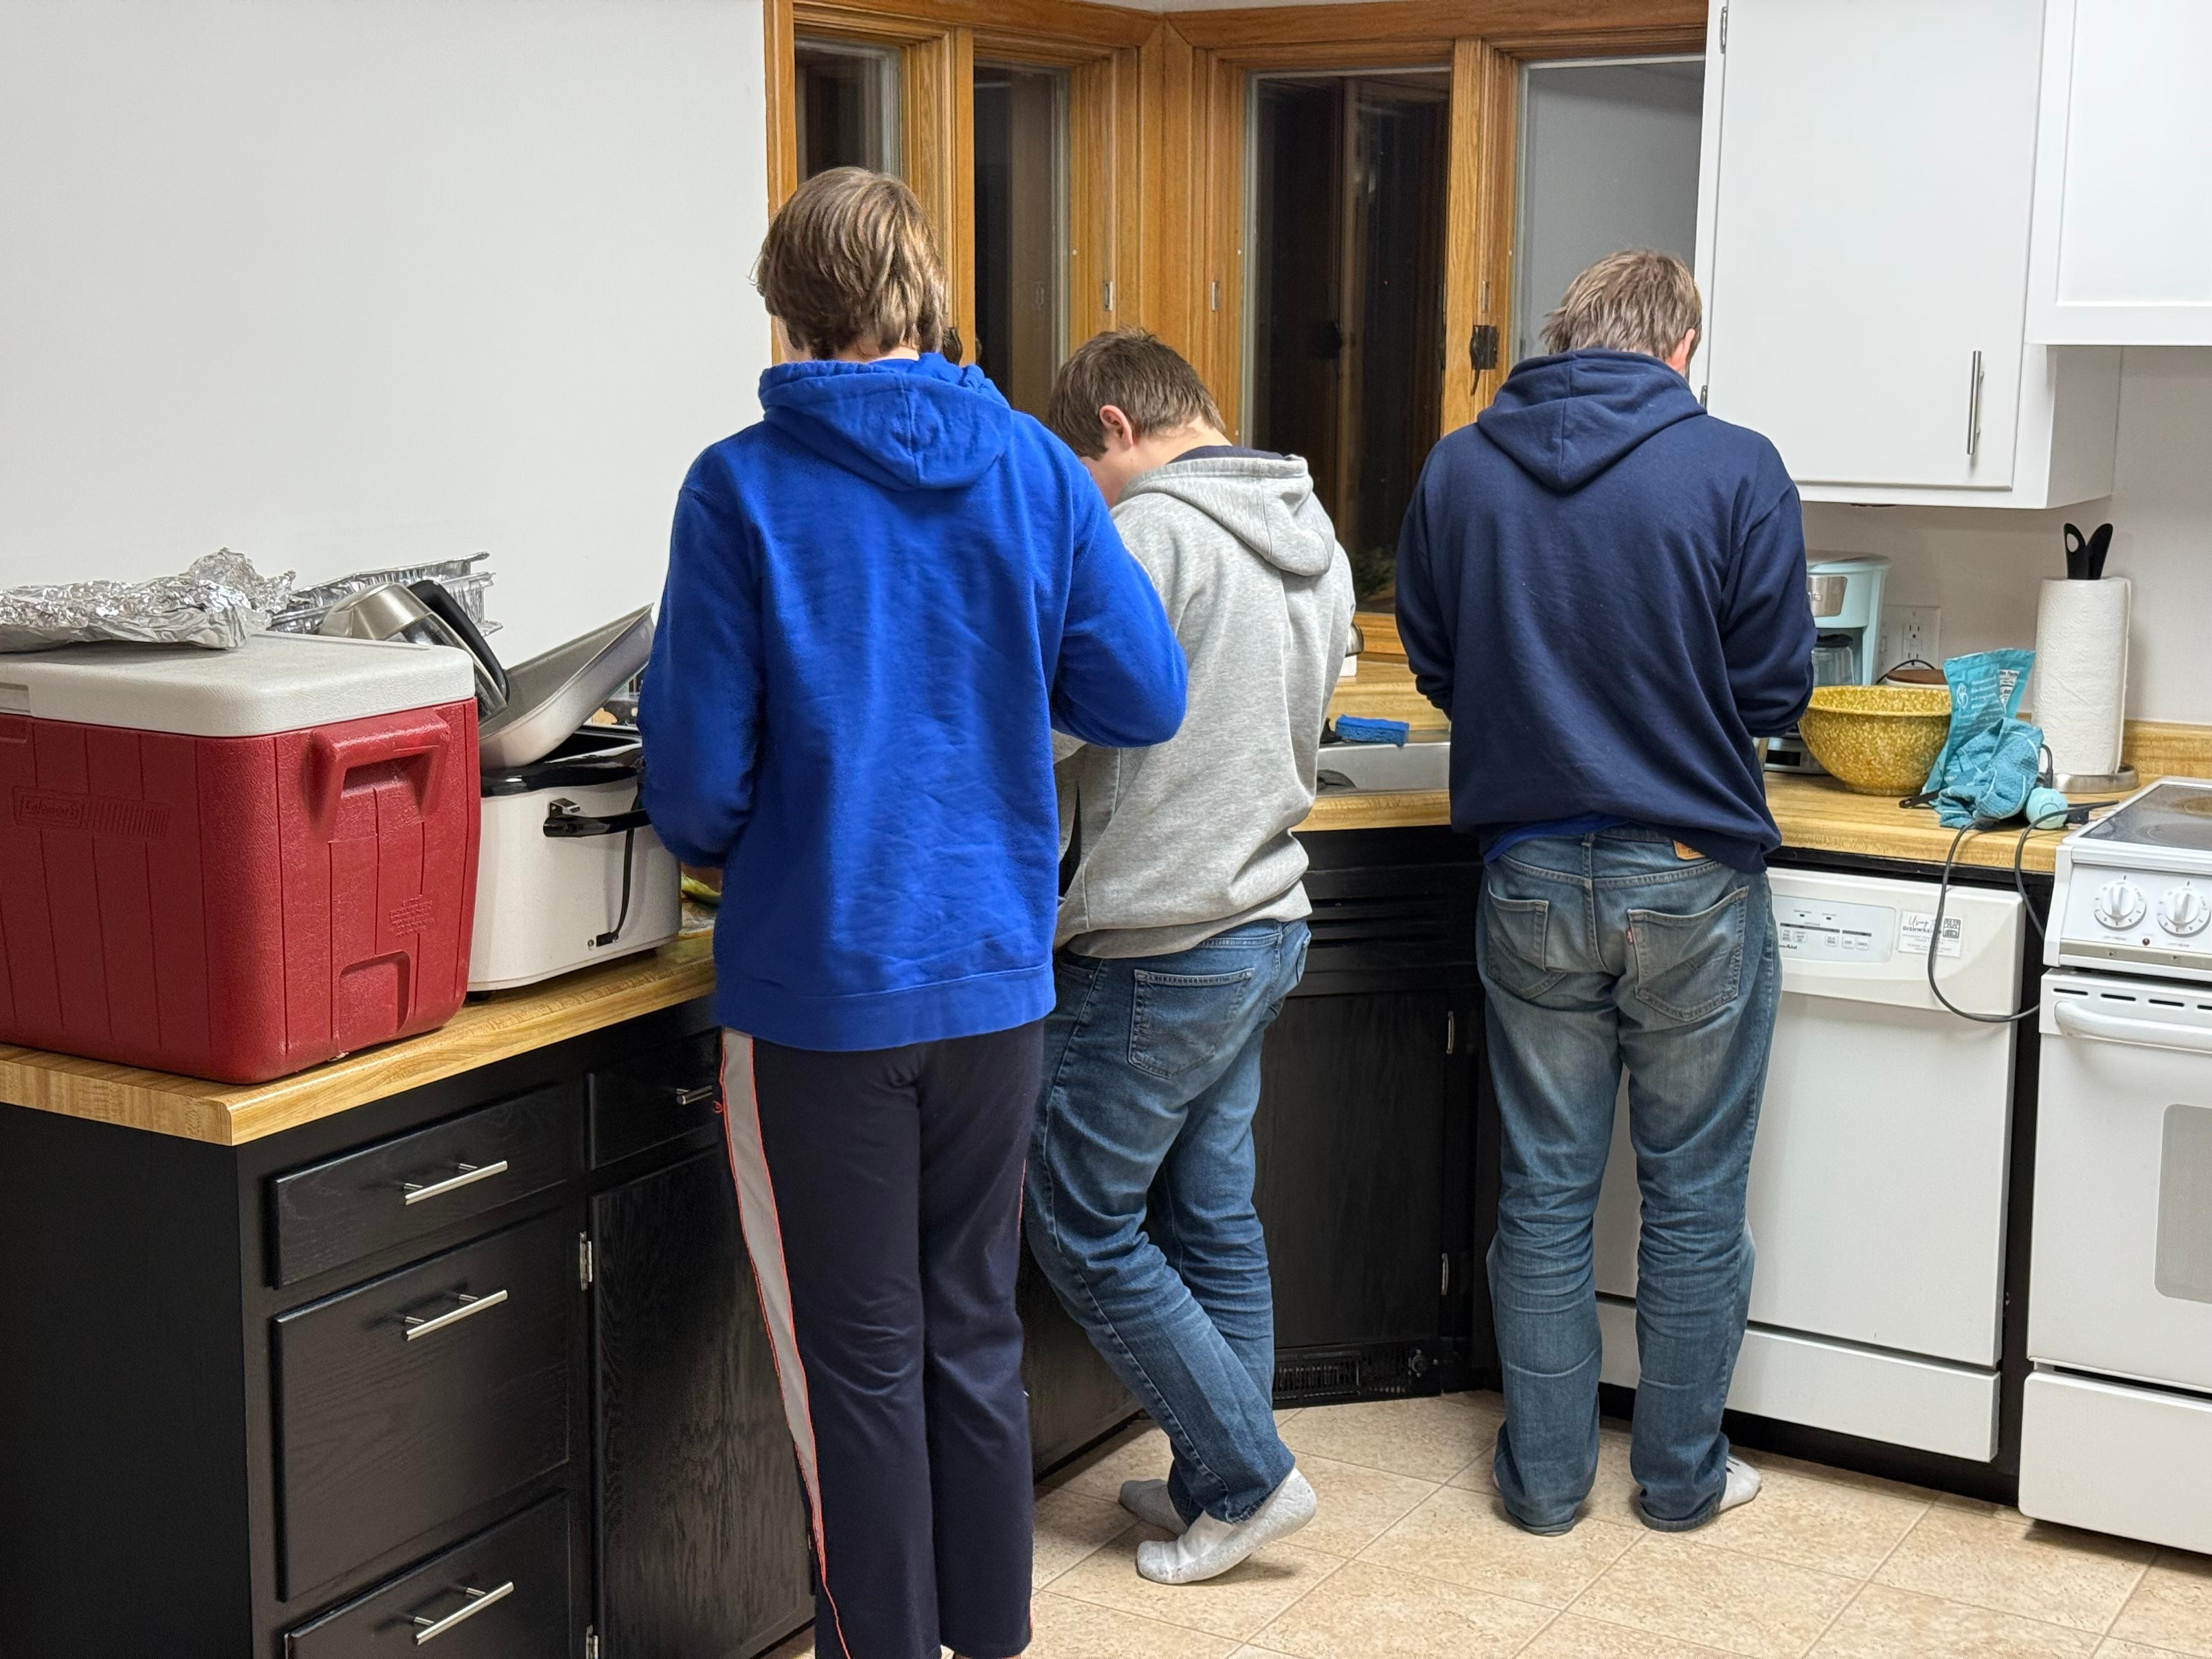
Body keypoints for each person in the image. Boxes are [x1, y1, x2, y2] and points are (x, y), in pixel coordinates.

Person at [640, 171, 1187, 1659]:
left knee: (854, 1366)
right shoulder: (1036, 468)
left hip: (820, 994)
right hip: (995, 987)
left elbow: (691, 787)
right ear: (925, 293)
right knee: (970, 1335)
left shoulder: (738, 486)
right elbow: (1141, 693)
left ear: (785, 309)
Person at [1395, 250, 1815, 1536]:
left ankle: (1545, 1484)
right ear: (1681, 345)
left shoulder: (1460, 467)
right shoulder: (1736, 464)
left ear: (1565, 338)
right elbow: (1774, 693)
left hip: (1528, 872)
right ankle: (1681, 1483)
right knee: (1691, 1201)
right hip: (1691, 877)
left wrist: (1540, 726)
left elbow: (1435, 656)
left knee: (1544, 1193)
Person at [1028, 330, 1354, 1585]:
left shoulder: (1148, 535)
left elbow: (1060, 729)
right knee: (1212, 1214)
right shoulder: (1310, 535)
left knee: (1078, 1218)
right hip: (1263, 921)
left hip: (1159, 941)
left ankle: (1248, 1477)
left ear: (1114, 430)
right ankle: (1218, 1482)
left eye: (1081, 465)